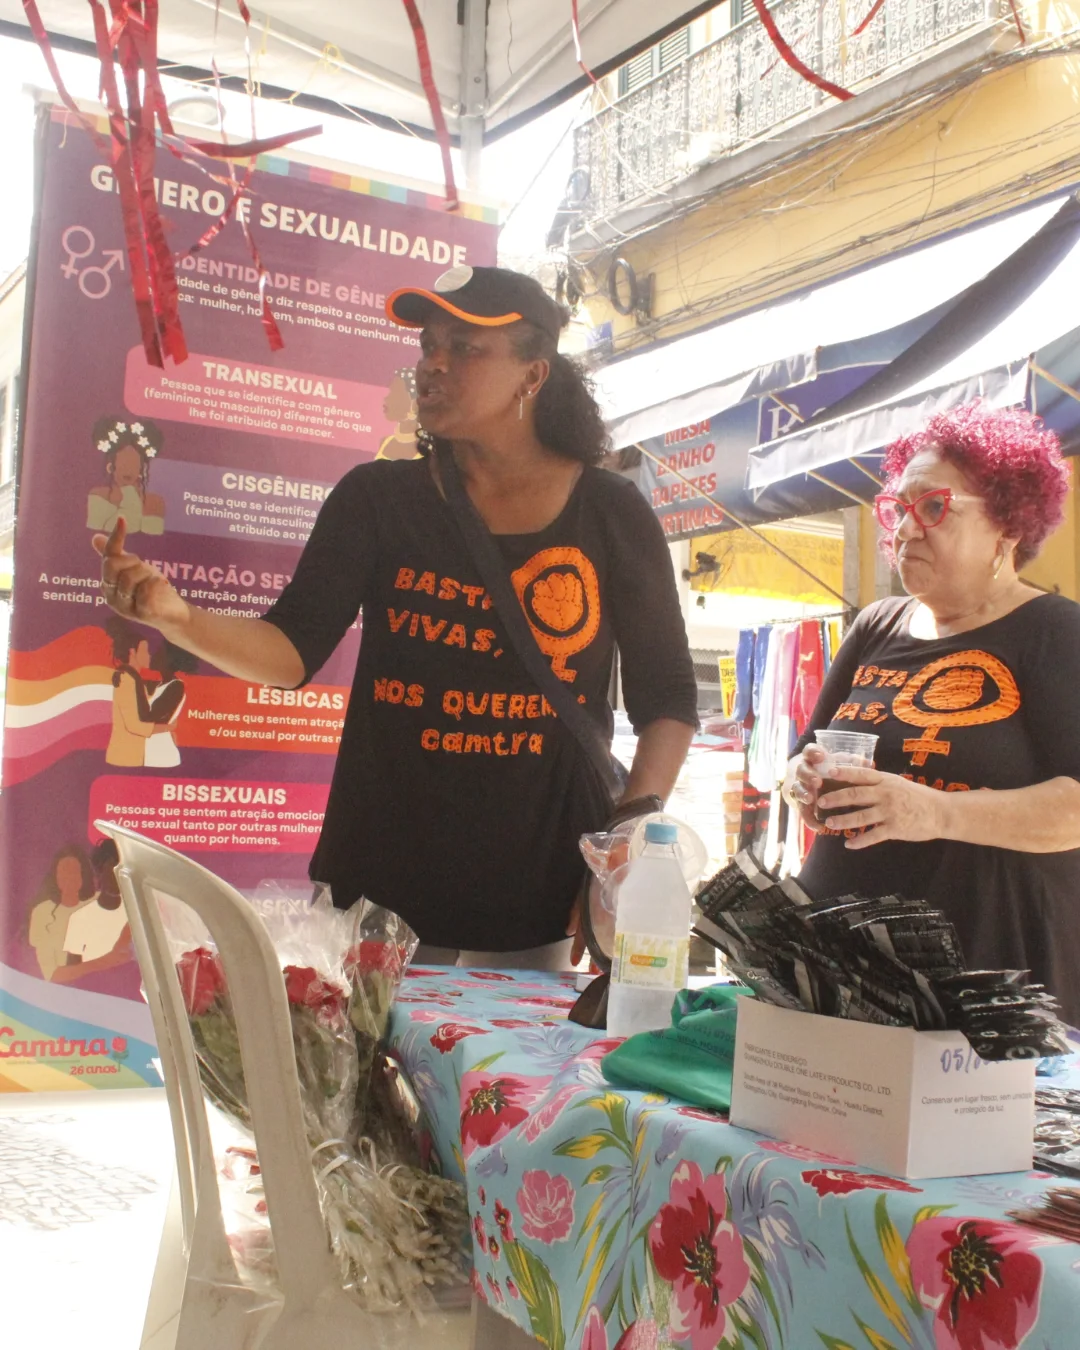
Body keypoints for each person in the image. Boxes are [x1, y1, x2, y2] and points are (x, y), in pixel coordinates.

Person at [91, 266, 699, 968]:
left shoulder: (612, 513)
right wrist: (179, 619)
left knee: (503, 1080)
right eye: (428, 345)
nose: (433, 364)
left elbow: (669, 701)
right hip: (378, 892)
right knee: (369, 1076)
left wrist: (623, 843)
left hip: (540, 894)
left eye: (466, 347)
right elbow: (291, 651)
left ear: (533, 376)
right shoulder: (377, 499)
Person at [783, 402, 1080, 1021]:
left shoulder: (1056, 632)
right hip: (838, 970)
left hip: (978, 977)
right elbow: (800, 762)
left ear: (1007, 524)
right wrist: (801, 783)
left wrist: (931, 810)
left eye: (934, 507)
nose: (906, 529)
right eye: (899, 509)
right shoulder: (874, 626)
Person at [53, 839, 133, 984]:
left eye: (122, 868)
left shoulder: (138, 917)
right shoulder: (80, 919)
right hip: (90, 996)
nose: (117, 876)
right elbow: (69, 973)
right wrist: (105, 962)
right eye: (112, 867)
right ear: (99, 870)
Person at [86, 416, 166, 536]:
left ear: (141, 467)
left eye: (133, 462)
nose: (128, 469)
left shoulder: (155, 502)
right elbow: (101, 533)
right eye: (123, 462)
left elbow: (152, 541)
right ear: (112, 465)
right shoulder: (99, 496)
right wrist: (128, 493)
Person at [26, 845, 95, 980]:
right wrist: (102, 963)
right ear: (55, 876)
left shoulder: (97, 903)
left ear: (83, 876)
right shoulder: (42, 913)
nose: (68, 877)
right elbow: (52, 975)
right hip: (61, 991)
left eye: (74, 872)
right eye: (63, 872)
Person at [104, 616, 157, 767]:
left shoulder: (136, 681)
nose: (149, 655)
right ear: (132, 652)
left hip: (131, 756)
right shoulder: (127, 680)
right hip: (123, 759)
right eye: (145, 651)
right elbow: (134, 725)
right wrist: (166, 728)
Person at [138, 640, 199, 768]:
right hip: (148, 749)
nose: (154, 655)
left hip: (161, 753)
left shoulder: (176, 686)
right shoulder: (158, 685)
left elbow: (150, 717)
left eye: (160, 653)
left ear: (169, 661)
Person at [377, 368, 420, 461]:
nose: (386, 398)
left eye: (395, 393)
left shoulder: (428, 450)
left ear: (414, 403)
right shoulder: (385, 442)